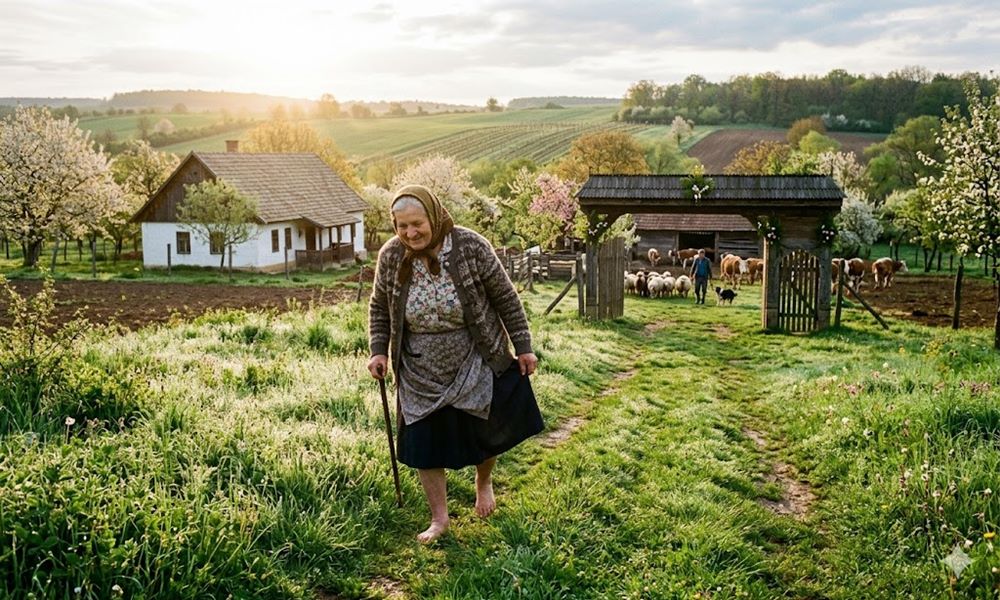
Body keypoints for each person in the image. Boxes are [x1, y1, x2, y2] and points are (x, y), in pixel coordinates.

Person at [367, 184, 544, 543]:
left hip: (474, 357)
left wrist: (523, 346)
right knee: (425, 440)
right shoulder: (390, 256)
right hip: (418, 367)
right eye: (401, 226)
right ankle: (439, 519)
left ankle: (484, 482)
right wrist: (378, 350)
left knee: (483, 430)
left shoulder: (470, 246)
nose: (410, 233)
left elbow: (506, 298)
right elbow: (379, 307)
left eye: (417, 224)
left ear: (434, 215)